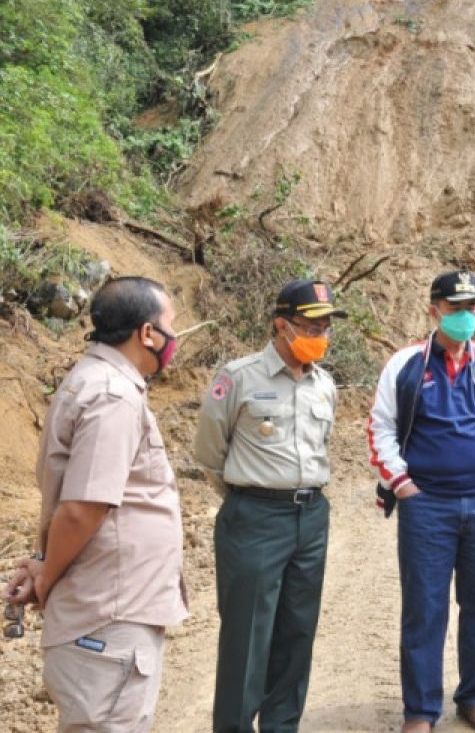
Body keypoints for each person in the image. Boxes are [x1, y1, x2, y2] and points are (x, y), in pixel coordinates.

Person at [3, 276, 188, 732]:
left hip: (107, 607)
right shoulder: (113, 396)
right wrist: (47, 573)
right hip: (110, 615)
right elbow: (84, 507)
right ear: (147, 333)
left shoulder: (94, 381)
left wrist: (48, 561)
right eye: (171, 325)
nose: (175, 337)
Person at [367, 270, 475, 733]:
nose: (465, 316)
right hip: (428, 506)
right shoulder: (406, 364)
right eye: (455, 307)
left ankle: (474, 695)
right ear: (433, 309)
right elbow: (380, 427)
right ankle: (420, 710)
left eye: (471, 308)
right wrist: (401, 483)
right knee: (425, 608)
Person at [194, 279, 345, 733]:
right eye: (309, 326)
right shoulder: (238, 377)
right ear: (281, 325)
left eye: (325, 327)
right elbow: (209, 453)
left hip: (311, 517)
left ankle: (282, 726)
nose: (319, 336)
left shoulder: (325, 385)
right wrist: (250, 500)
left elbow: (322, 447)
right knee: (247, 638)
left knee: (297, 633)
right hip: (255, 518)